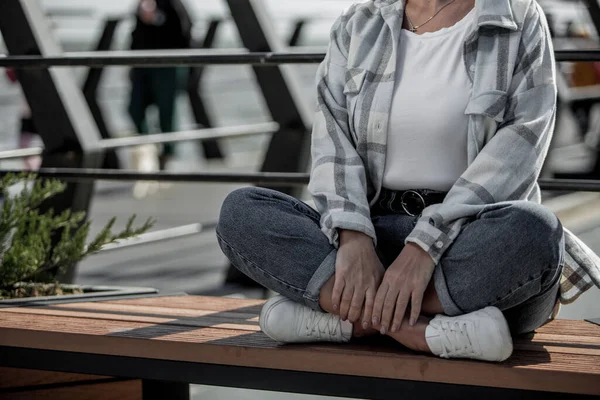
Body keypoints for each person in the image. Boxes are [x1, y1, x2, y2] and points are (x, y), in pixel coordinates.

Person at [216, 0, 600, 363]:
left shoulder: (517, 18)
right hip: (375, 237)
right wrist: (353, 238)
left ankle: (348, 316)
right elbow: (331, 141)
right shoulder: (359, 23)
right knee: (241, 213)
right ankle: (420, 329)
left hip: (468, 240)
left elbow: (521, 148)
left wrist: (424, 249)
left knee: (536, 233)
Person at [128, 0, 192, 171]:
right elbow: (136, 35)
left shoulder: (174, 5)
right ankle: (147, 147)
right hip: (142, 65)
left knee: (167, 112)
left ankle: (167, 154)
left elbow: (184, 32)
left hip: (168, 65)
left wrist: (156, 17)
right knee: (134, 108)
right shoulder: (142, 4)